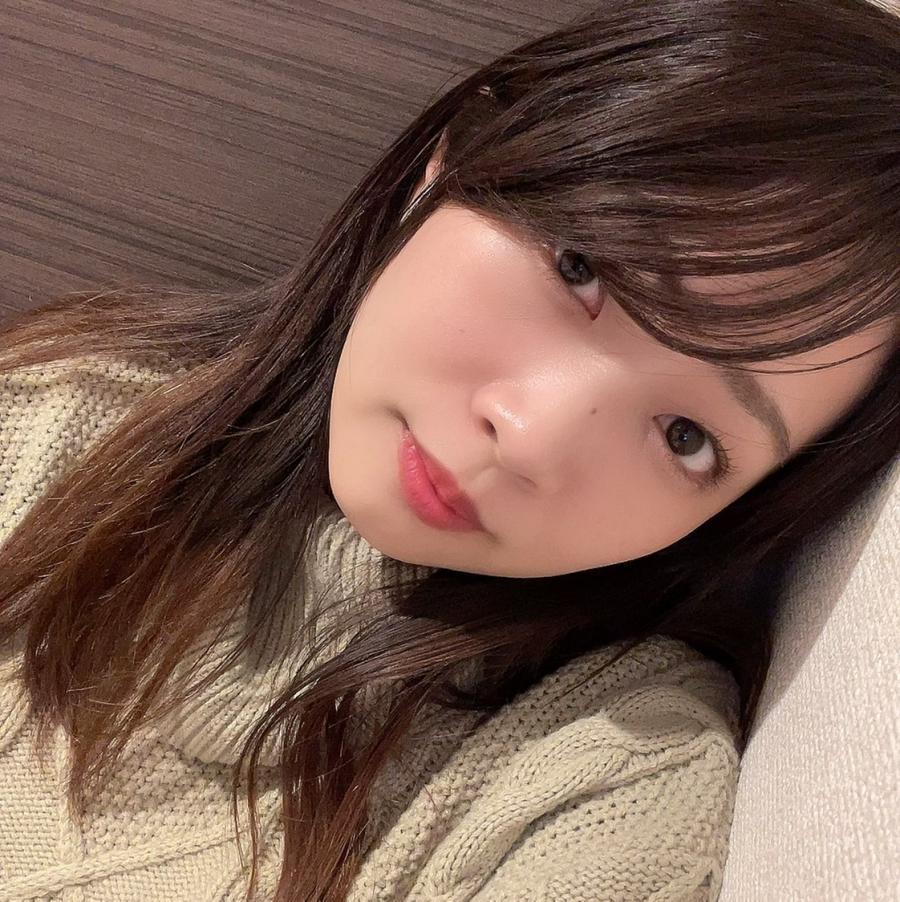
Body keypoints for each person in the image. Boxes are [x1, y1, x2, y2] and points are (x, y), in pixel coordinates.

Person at [0, 0, 897, 899]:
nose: (532, 437)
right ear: (452, 160)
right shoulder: (54, 415)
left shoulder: (612, 776)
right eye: (579, 267)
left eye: (686, 438)